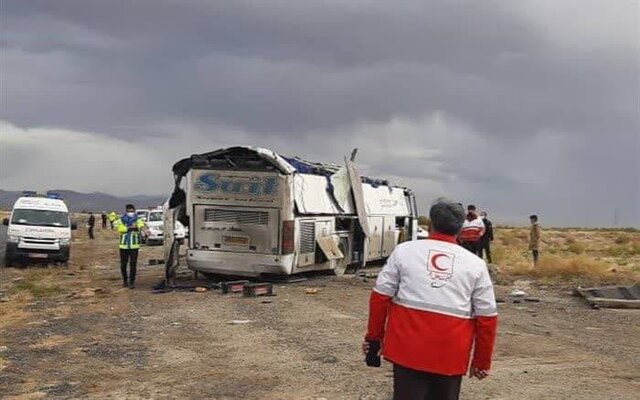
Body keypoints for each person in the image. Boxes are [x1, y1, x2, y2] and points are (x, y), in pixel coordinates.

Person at [363, 199, 498, 400]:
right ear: (460, 228)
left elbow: (380, 299)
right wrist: (481, 361)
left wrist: (374, 339)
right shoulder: (476, 265)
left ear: (430, 225)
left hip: (407, 349)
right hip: (451, 353)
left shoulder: (404, 251)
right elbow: (487, 318)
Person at [117, 204, 146, 289]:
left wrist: (142, 229)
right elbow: (120, 229)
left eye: (132, 211)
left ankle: (132, 282)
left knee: (133, 264)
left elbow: (141, 225)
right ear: (126, 211)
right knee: (123, 264)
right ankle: (125, 280)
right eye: (129, 211)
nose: (131, 212)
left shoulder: (138, 219)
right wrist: (131, 227)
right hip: (123, 246)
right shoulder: (121, 219)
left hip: (134, 245)